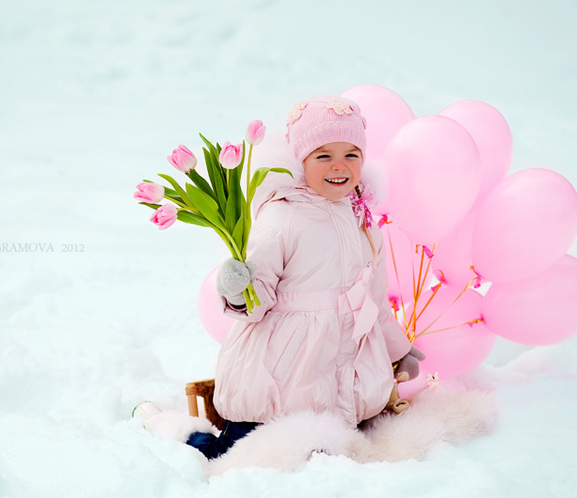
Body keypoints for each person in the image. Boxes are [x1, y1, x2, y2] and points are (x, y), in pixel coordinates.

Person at [182, 95, 425, 460]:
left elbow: (373, 301)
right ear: (301, 160)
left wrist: (398, 350)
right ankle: (178, 433)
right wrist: (237, 290)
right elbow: (256, 301)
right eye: (323, 156)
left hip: (341, 376)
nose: (339, 166)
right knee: (234, 454)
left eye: (351, 154)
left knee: (329, 451)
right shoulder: (282, 217)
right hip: (280, 374)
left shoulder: (363, 221)